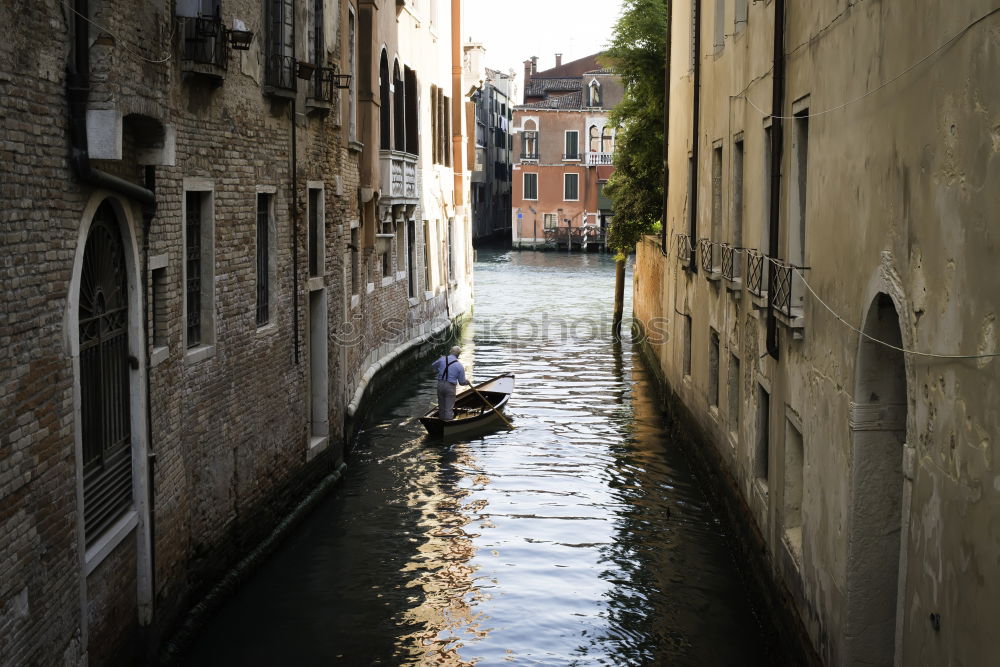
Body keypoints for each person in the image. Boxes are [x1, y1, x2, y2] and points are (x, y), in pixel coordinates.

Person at [431, 346, 470, 420]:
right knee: (448, 409)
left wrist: (440, 363)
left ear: (450, 351)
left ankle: (441, 423)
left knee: (441, 408)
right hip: (450, 387)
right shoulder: (459, 366)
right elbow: (461, 382)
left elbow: (433, 365)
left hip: (440, 384)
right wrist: (467, 382)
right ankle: (447, 424)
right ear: (458, 355)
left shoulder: (442, 359)